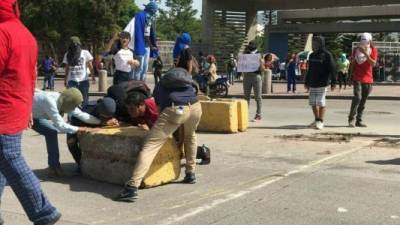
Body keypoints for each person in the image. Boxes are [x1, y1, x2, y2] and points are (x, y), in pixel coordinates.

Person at [0, 1, 62, 224]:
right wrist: (27, 110)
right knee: (3, 162)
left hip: (3, 110)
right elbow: (31, 76)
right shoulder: (25, 34)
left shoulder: (2, 32)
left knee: (9, 158)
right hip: (17, 107)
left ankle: (44, 212)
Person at [115, 68, 202, 202]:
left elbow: (159, 108)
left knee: (150, 146)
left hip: (176, 108)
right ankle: (190, 173)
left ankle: (132, 187)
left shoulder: (161, 85)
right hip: (196, 107)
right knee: (190, 137)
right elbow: (196, 91)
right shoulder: (186, 82)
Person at [32, 88, 102, 177]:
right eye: (74, 106)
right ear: (70, 102)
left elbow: (82, 115)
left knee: (51, 132)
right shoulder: (50, 101)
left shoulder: (65, 100)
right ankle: (54, 167)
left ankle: (54, 167)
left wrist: (101, 122)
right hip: (23, 113)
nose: (74, 108)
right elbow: (61, 125)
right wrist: (82, 129)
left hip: (36, 115)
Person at [67, 97, 118, 168]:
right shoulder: (88, 110)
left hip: (97, 126)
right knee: (71, 142)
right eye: (103, 116)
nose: (106, 118)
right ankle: (81, 164)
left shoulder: (112, 108)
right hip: (80, 124)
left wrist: (114, 121)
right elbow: (77, 121)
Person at [305, 36, 337, 130]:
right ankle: (316, 119)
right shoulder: (311, 55)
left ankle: (320, 121)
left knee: (320, 102)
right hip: (312, 82)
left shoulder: (327, 55)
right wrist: (307, 81)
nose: (314, 44)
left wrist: (334, 82)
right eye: (313, 42)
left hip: (322, 82)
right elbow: (309, 69)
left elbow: (333, 69)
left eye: (316, 43)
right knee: (313, 102)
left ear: (321, 43)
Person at [348, 33, 378, 128]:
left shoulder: (373, 49)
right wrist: (350, 76)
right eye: (362, 40)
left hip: (368, 79)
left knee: (363, 101)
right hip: (357, 77)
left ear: (369, 41)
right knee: (357, 97)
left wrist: (365, 53)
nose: (363, 42)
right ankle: (351, 119)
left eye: (365, 41)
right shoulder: (355, 50)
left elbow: (373, 63)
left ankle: (359, 121)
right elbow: (352, 64)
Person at [124, 1, 159, 81]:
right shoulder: (140, 16)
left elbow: (150, 35)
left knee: (144, 68)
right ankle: (136, 85)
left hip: (147, 46)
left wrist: (152, 46)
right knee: (138, 68)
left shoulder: (150, 19)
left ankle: (142, 84)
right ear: (151, 9)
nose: (155, 12)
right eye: (154, 10)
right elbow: (133, 30)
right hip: (139, 45)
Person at [63, 36, 96, 107]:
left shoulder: (85, 53)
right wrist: (65, 79)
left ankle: (83, 115)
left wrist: (93, 77)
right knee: (72, 101)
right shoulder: (67, 54)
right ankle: (72, 117)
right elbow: (67, 68)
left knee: (84, 100)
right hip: (72, 81)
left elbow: (90, 66)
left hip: (83, 81)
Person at [243, 40, 264, 121]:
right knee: (246, 97)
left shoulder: (259, 54)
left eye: (251, 46)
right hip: (247, 76)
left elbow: (262, 69)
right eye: (249, 46)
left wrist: (261, 63)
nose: (250, 47)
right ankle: (245, 113)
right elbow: (241, 65)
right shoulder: (246, 54)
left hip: (256, 76)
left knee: (258, 97)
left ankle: (258, 114)